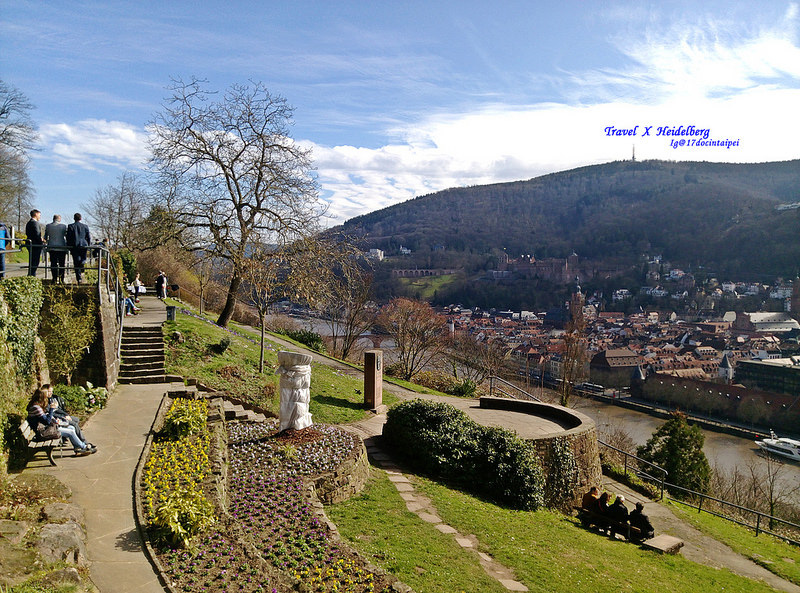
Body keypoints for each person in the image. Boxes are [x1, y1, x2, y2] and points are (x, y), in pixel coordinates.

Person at [27, 385, 96, 456]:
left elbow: (45, 420)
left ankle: (78, 448)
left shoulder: (37, 406)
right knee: (70, 432)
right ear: (41, 397)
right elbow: (47, 421)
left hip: (46, 429)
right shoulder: (36, 408)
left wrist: (55, 420)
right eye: (45, 396)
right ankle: (83, 447)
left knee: (71, 427)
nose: (47, 398)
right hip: (43, 433)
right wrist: (51, 409)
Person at [66, 213, 90, 283]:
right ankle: (83, 262)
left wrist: (69, 246)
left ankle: (79, 278)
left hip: (74, 245)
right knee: (83, 258)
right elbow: (88, 237)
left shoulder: (71, 226)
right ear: (80, 218)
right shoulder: (85, 226)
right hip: (83, 245)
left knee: (76, 262)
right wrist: (88, 245)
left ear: (74, 218)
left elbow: (69, 237)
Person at [44, 214, 68, 283]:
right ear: (59, 219)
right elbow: (66, 236)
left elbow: (45, 237)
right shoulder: (63, 226)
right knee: (62, 264)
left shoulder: (48, 226)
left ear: (53, 219)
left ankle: (54, 278)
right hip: (61, 247)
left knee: (53, 264)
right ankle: (61, 279)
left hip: (52, 247)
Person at [26, 209, 44, 276]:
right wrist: (41, 241)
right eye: (39, 215)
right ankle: (32, 276)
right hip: (35, 245)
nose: (40, 216)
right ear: (36, 214)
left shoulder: (29, 222)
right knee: (35, 262)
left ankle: (31, 275)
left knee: (32, 262)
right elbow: (37, 234)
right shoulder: (34, 223)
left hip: (31, 243)